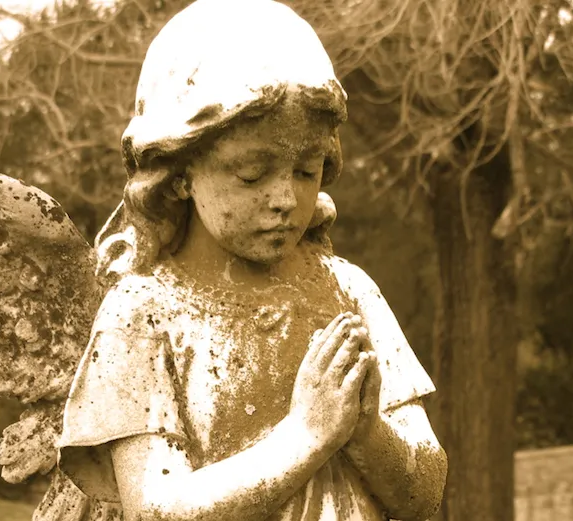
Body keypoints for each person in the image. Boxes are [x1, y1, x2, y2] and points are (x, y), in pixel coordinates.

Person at [54, 1, 447, 520]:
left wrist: (367, 431)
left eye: (307, 171)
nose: (284, 197)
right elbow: (155, 509)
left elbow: (425, 492)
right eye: (251, 174)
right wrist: (306, 436)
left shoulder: (348, 291)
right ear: (179, 173)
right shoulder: (144, 311)